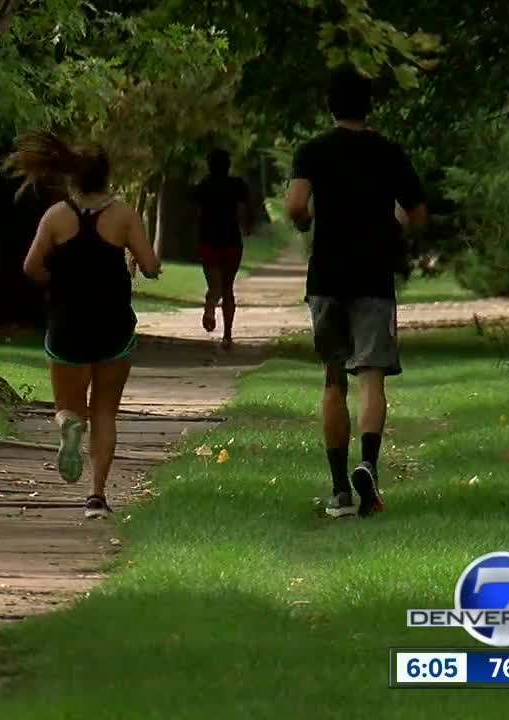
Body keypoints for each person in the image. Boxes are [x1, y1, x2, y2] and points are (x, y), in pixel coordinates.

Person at [285, 66, 427, 518]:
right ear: (369, 106)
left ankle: (339, 491)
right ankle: (367, 464)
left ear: (331, 105)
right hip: (373, 277)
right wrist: (396, 227)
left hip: (327, 275)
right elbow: (418, 214)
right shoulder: (387, 152)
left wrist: (306, 223)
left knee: (332, 379)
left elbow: (295, 204)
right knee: (371, 375)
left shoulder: (313, 151)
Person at [2, 131, 162, 519]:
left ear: (72, 176)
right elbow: (150, 263)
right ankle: (96, 497)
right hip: (113, 328)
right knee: (106, 412)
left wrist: (55, 282)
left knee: (69, 407)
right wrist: (149, 269)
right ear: (107, 177)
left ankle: (69, 425)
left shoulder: (56, 216)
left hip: (66, 326)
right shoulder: (123, 216)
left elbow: (30, 267)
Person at [192, 149, 253, 350]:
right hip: (231, 241)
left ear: (209, 166)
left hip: (208, 240)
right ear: (228, 165)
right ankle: (227, 335)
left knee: (214, 286)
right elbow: (247, 208)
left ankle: (210, 308)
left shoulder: (203, 186)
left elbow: (190, 208)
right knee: (228, 288)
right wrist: (247, 226)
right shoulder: (237, 186)